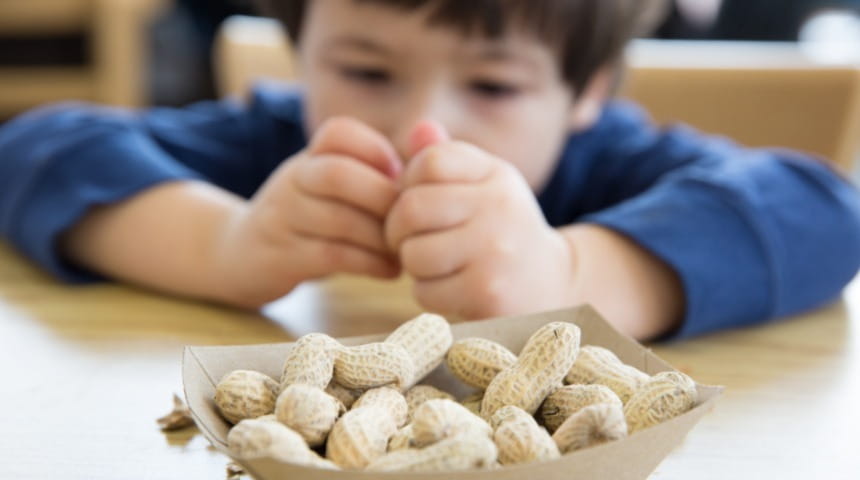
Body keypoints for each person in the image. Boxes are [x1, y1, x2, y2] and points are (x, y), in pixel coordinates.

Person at [1, 0, 859, 342]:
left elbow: (822, 207)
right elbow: (37, 147)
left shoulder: (613, 164)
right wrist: (224, 242)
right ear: (299, 53)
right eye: (367, 72)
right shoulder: (277, 148)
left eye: (492, 84)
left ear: (586, 90)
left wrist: (569, 271)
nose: (425, 126)